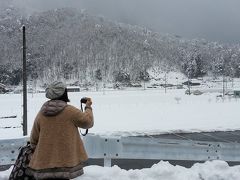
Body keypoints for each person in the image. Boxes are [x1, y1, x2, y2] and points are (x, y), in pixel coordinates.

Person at [27, 81, 94, 180]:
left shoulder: (41, 113)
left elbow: (34, 139)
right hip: (66, 164)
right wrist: (88, 107)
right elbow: (88, 122)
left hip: (43, 164)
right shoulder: (70, 111)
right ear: (64, 93)